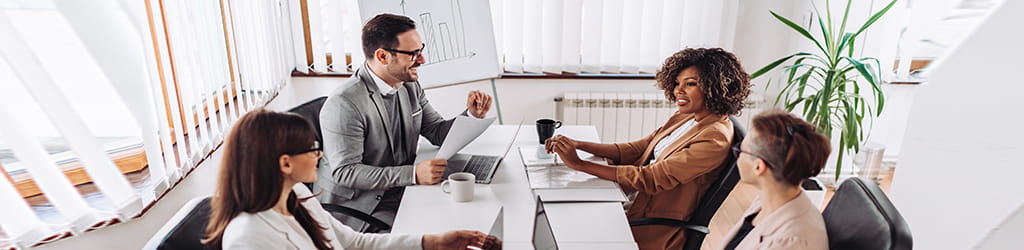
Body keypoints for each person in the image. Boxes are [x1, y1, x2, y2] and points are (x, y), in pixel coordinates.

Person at [203, 109, 501, 250]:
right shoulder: (247, 238)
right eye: (313, 148)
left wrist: (435, 242)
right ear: (285, 163)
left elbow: (353, 242)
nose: (320, 155)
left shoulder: (300, 199)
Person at [545, 47, 750, 249]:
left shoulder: (714, 138)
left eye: (690, 84)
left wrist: (578, 164)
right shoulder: (687, 116)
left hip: (649, 219)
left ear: (716, 87)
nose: (679, 90)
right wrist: (580, 145)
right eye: (677, 83)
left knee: (561, 218)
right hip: (632, 197)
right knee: (557, 203)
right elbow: (639, 148)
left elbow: (651, 179)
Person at [315, 13, 493, 231]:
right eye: (413, 53)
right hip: (359, 205)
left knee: (466, 217)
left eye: (421, 50)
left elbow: (436, 131)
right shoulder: (345, 103)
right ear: (382, 56)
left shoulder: (409, 85)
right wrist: (413, 174)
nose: (422, 60)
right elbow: (346, 172)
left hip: (399, 189)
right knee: (437, 230)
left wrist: (472, 115)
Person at [718, 110, 830, 250]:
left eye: (739, 151)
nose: (738, 157)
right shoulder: (765, 201)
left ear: (758, 167)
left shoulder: (791, 242)